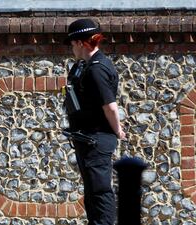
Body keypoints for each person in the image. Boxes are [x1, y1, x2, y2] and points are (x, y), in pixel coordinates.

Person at [64, 19, 126, 225]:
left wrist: (118, 130)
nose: (72, 49)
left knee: (100, 191)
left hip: (96, 139)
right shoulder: (85, 66)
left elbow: (110, 106)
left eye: (73, 44)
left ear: (81, 43)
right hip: (87, 138)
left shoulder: (97, 69)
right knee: (92, 191)